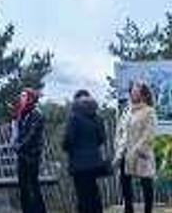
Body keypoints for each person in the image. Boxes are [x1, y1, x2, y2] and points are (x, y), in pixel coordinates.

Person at [63, 89, 109, 213]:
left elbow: (68, 140)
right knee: (94, 192)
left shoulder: (74, 118)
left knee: (83, 196)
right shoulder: (97, 118)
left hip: (78, 163)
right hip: (94, 162)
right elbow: (101, 138)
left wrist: (68, 148)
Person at [114, 82, 156, 213]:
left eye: (136, 91)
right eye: (132, 90)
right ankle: (128, 209)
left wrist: (138, 149)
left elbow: (149, 133)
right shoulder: (127, 111)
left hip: (141, 152)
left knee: (146, 182)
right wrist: (119, 148)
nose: (133, 93)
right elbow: (121, 130)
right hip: (125, 152)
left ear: (143, 94)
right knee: (125, 183)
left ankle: (148, 210)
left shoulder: (149, 111)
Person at [13, 88, 47, 213]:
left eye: (23, 96)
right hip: (22, 155)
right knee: (23, 187)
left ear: (30, 98)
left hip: (32, 155)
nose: (20, 98)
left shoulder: (36, 114)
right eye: (21, 95)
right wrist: (16, 144)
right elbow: (19, 133)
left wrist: (19, 145)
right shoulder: (22, 113)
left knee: (32, 186)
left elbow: (31, 135)